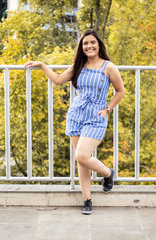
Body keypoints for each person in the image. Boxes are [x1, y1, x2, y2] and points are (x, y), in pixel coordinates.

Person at [25, 29, 125, 215]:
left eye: (92, 42)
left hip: (96, 117)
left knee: (82, 156)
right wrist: (42, 65)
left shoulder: (108, 67)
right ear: (82, 47)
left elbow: (120, 91)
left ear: (99, 45)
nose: (89, 46)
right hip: (76, 115)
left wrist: (108, 109)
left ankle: (107, 173)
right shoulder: (78, 66)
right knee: (81, 161)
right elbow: (57, 80)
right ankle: (87, 199)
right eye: (85, 43)